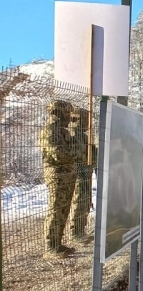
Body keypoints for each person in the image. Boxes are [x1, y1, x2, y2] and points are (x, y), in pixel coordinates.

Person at [41, 100, 79, 255]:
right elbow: (59, 154)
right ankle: (50, 246)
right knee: (56, 209)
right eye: (67, 113)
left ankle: (57, 243)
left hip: (66, 175)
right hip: (57, 176)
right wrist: (76, 153)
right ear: (58, 113)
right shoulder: (50, 131)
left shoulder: (62, 131)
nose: (69, 117)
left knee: (64, 209)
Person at [69, 108, 95, 239]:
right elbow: (73, 157)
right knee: (79, 201)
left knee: (85, 201)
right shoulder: (72, 136)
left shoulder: (83, 136)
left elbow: (92, 155)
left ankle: (80, 230)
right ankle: (76, 232)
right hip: (79, 174)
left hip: (86, 173)